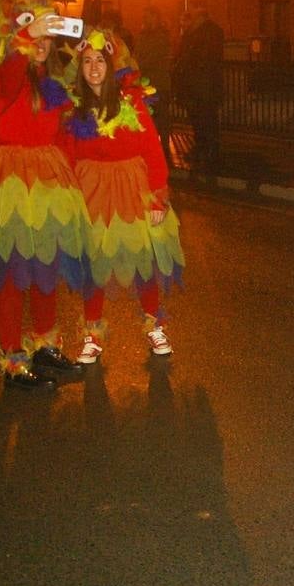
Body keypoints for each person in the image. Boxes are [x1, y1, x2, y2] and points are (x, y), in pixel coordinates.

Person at [0, 0, 89, 390]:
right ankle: (13, 358)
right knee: (13, 273)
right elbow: (11, 75)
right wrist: (29, 36)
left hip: (48, 182)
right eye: (35, 30)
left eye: (49, 33)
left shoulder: (52, 85)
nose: (44, 39)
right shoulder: (3, 77)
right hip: (10, 183)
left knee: (45, 267)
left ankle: (45, 344)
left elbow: (66, 136)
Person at [63, 27, 185, 363]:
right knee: (95, 266)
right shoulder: (76, 110)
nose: (93, 67)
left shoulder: (131, 103)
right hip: (92, 194)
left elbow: (152, 152)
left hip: (132, 190)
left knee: (142, 262)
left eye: (99, 60)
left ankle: (153, 325)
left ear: (110, 65)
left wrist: (158, 197)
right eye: (86, 61)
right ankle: (92, 333)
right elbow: (69, 159)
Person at [174, 0, 225, 171]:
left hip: (205, 83)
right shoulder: (192, 31)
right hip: (195, 82)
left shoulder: (212, 31)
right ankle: (201, 146)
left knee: (207, 117)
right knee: (196, 117)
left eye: (193, 9)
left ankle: (210, 149)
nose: (190, 12)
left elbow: (208, 58)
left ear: (200, 11)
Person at [135, 6, 174, 164]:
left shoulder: (161, 36)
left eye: (149, 16)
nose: (146, 20)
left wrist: (137, 66)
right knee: (148, 117)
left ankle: (163, 146)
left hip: (158, 83)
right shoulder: (143, 35)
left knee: (162, 117)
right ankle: (151, 146)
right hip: (146, 84)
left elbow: (151, 58)